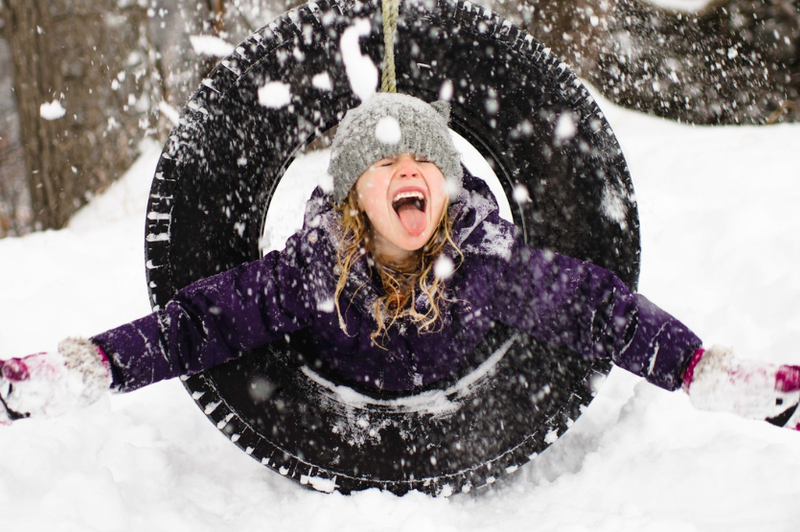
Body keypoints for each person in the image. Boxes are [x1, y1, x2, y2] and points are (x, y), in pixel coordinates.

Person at [2, 93, 799, 432]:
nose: (409, 173)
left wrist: (701, 368)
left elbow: (599, 309)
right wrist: (90, 365)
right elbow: (202, 323)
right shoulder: (318, 269)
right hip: (330, 423)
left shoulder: (484, 262)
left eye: (425, 161)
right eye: (386, 166)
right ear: (353, 194)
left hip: (472, 424)